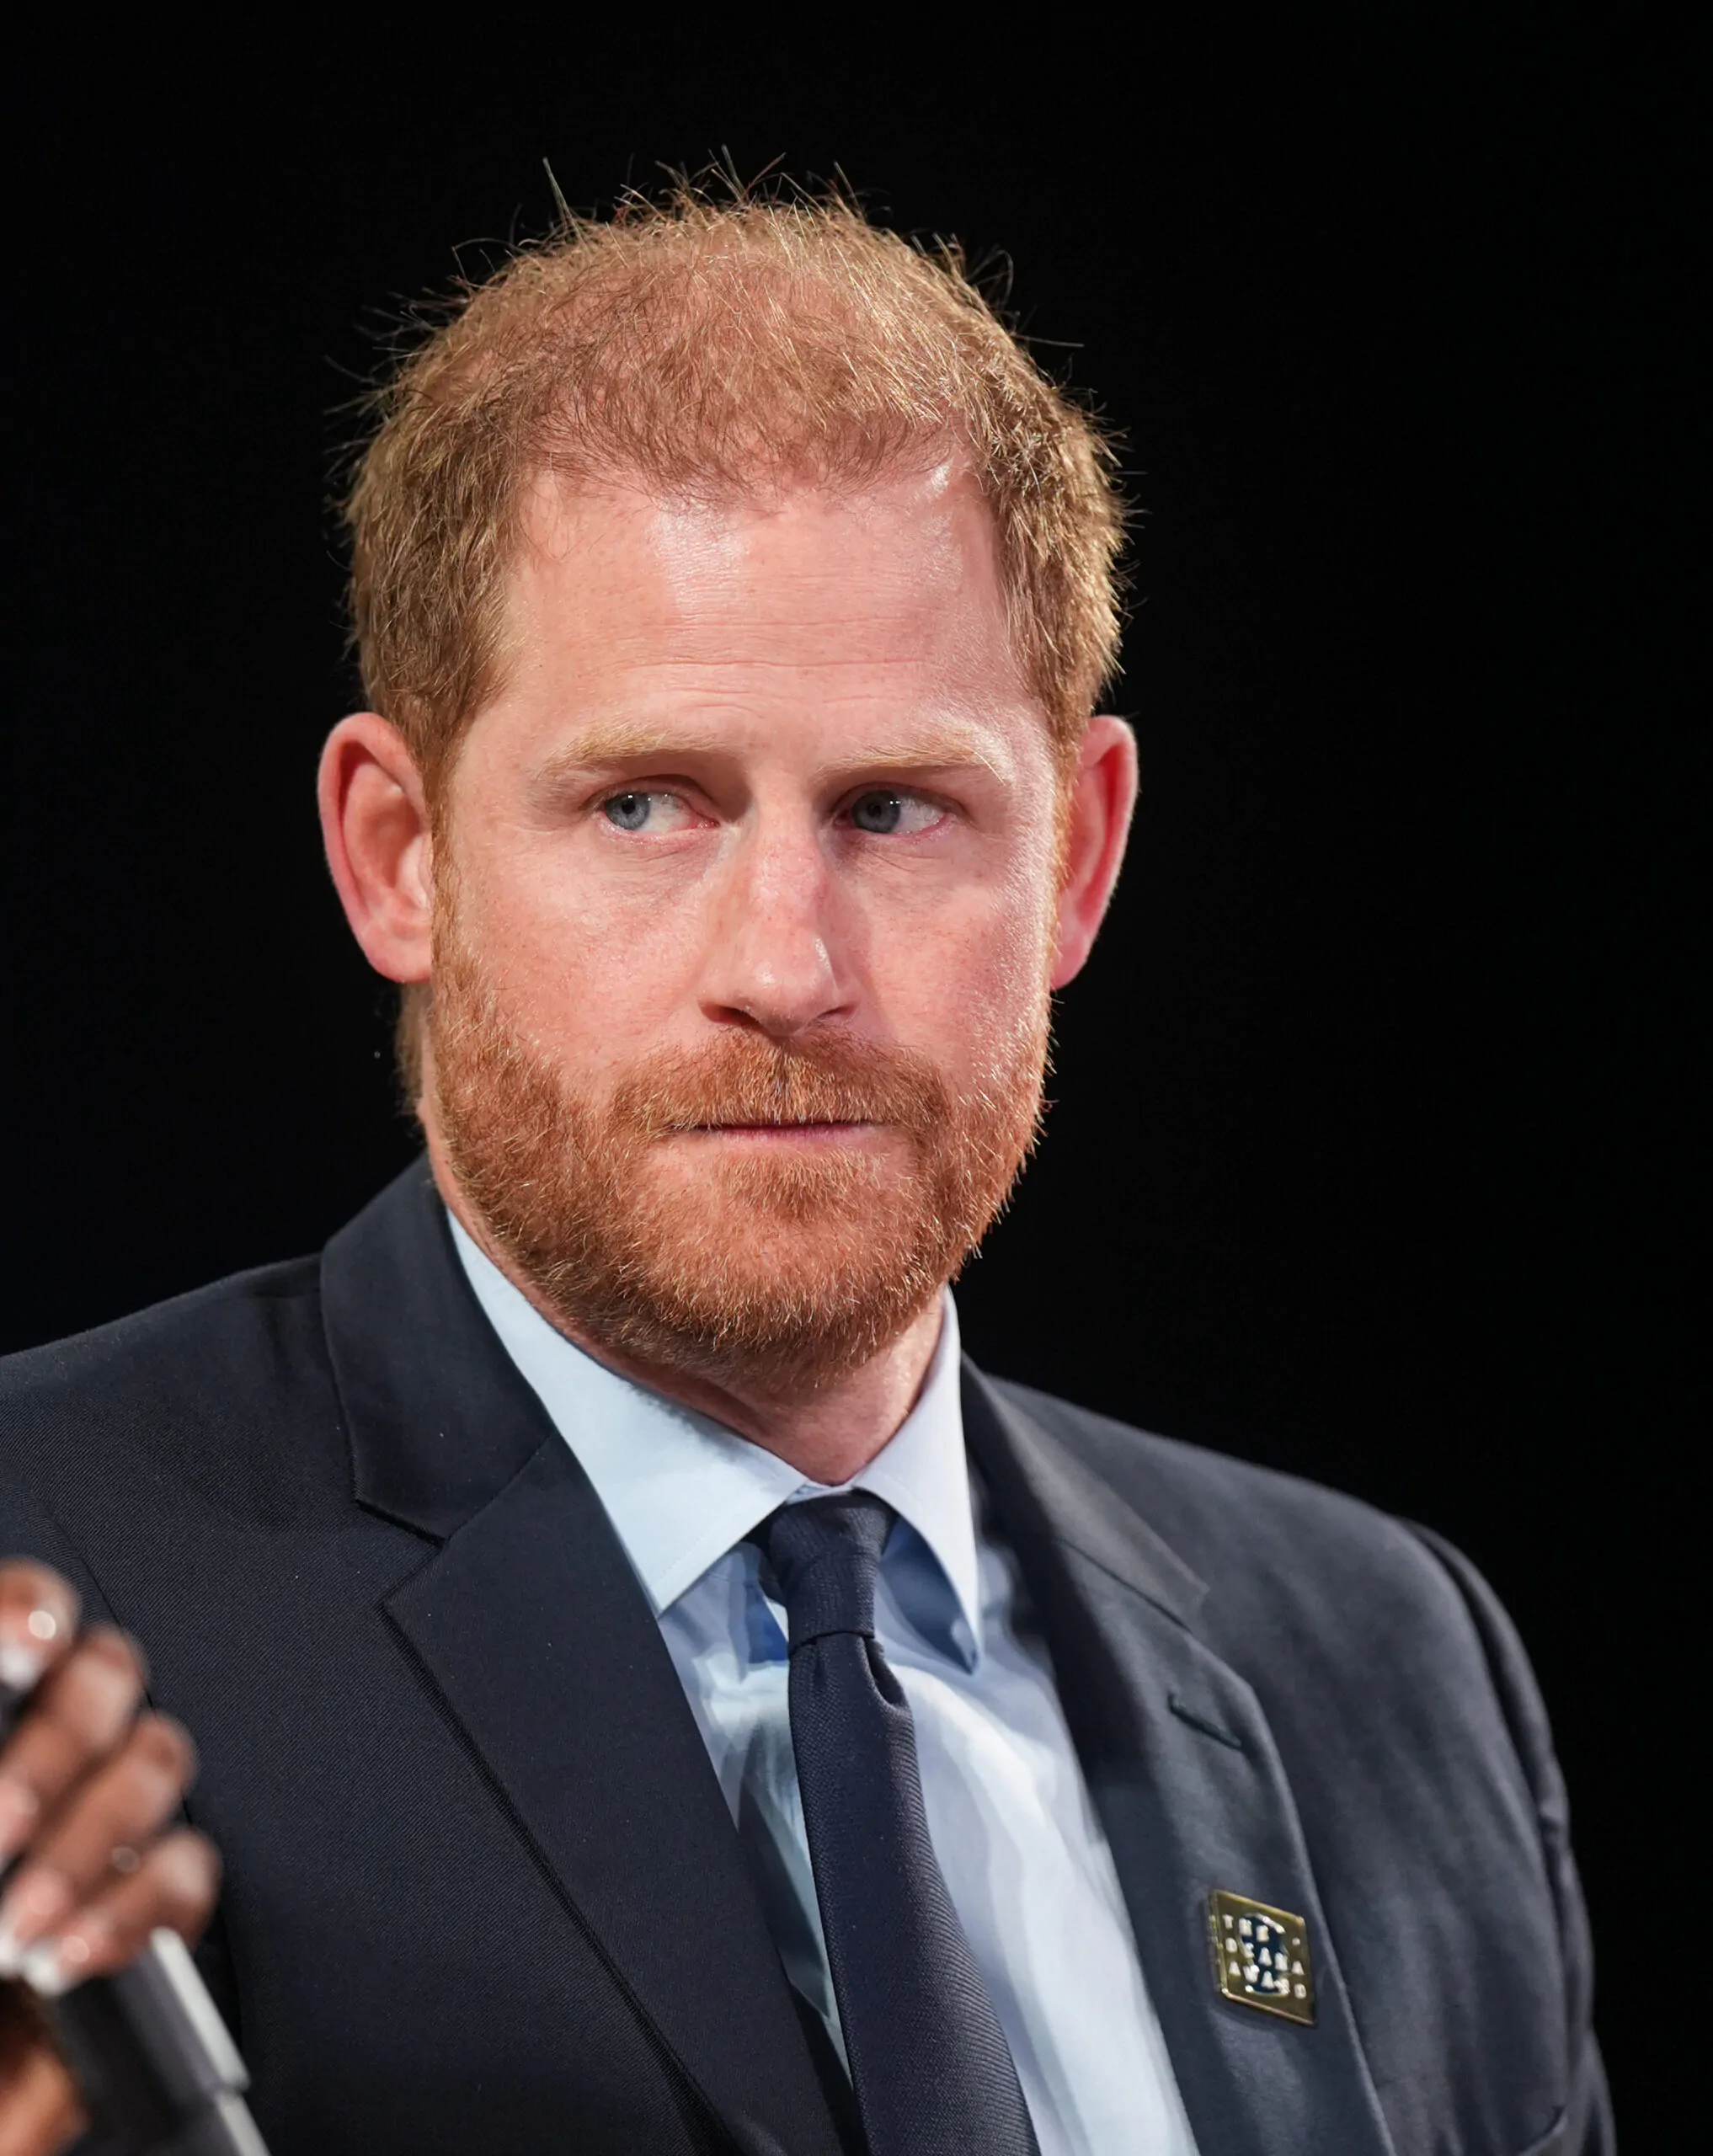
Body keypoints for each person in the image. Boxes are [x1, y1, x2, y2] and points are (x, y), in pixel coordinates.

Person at [0, 188, 1608, 2156]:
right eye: (647, 802)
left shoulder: (1385, 1664)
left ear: (1079, 857)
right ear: (398, 854)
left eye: (898, 808)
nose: (788, 963)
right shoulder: (43, 1583)